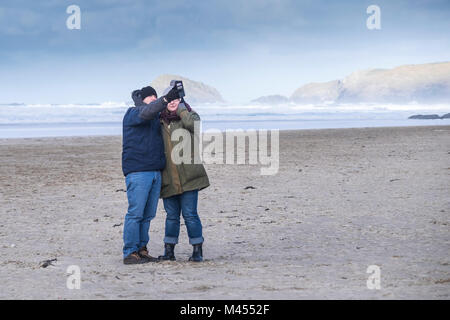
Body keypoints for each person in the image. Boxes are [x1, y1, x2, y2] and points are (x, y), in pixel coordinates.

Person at [121, 85, 180, 265]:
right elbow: (147, 111)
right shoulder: (133, 113)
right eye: (150, 96)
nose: (153, 99)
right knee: (135, 214)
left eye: (156, 96)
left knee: (147, 216)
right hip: (138, 172)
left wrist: (175, 100)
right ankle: (130, 252)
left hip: (155, 171)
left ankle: (141, 249)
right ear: (142, 99)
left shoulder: (155, 117)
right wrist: (163, 99)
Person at [157, 86, 210, 262]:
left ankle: (197, 250)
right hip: (168, 179)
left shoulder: (189, 115)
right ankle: (169, 251)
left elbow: (192, 125)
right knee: (171, 217)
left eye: (176, 98)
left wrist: (181, 108)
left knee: (190, 214)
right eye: (169, 98)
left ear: (181, 99)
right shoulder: (159, 120)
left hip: (189, 177)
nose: (172, 101)